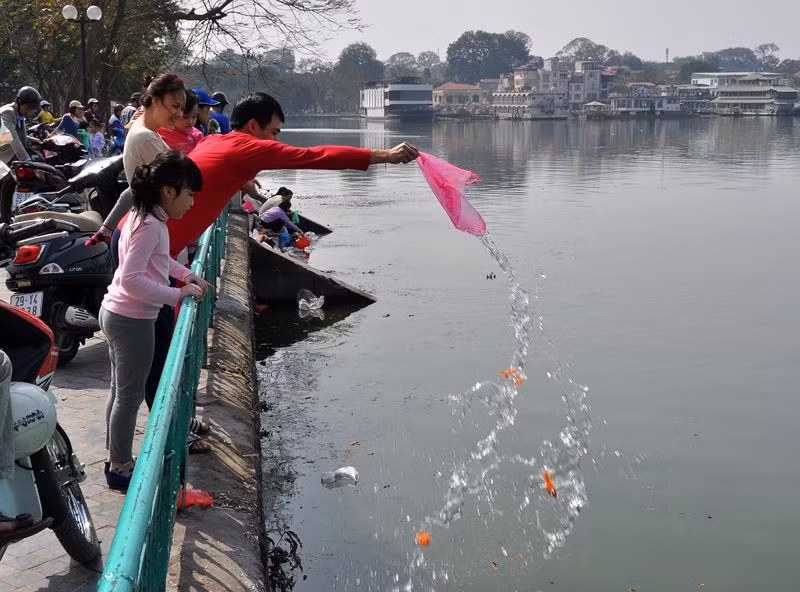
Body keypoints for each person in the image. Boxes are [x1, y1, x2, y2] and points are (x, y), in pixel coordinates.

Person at [89, 91, 419, 258]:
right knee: (154, 360)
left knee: (138, 364)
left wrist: (241, 180)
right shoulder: (250, 147)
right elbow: (314, 156)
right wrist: (384, 155)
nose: (276, 140)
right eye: (273, 132)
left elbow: (211, 172)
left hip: (133, 233)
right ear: (252, 126)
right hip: (146, 245)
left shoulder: (219, 141)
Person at [99, 150, 208, 491]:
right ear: (168, 191)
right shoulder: (150, 226)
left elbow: (160, 263)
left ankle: (114, 456)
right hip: (132, 320)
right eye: (189, 194)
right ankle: (120, 466)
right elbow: (132, 278)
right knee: (129, 397)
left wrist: (186, 274)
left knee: (120, 391)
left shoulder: (144, 217)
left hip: (115, 313)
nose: (191, 203)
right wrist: (178, 295)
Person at [0, 86, 40, 222]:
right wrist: (27, 160)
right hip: (2, 157)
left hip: (9, 158)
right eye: (28, 108)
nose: (29, 112)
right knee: (6, 181)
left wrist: (37, 142)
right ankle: (3, 217)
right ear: (19, 101)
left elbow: (22, 137)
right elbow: (13, 139)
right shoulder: (6, 113)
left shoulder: (20, 115)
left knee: (11, 183)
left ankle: (6, 216)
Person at [158, 90, 203, 155]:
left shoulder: (197, 136)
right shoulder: (160, 130)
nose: (190, 122)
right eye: (185, 117)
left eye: (194, 117)